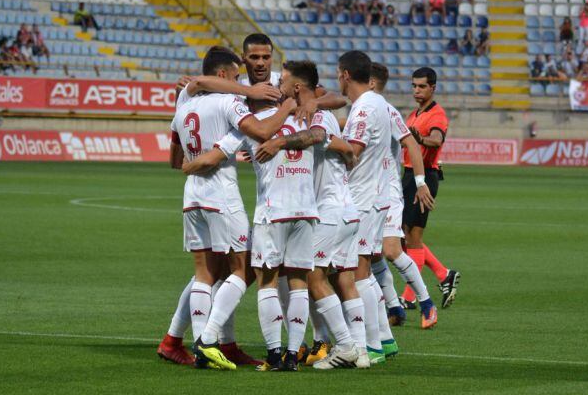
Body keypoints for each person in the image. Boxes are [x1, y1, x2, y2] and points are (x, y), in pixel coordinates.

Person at [163, 46, 297, 370]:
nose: (242, 79)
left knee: (205, 273)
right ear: (222, 76)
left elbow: (174, 160)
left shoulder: (185, 102)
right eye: (236, 75)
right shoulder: (230, 102)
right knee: (244, 268)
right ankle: (208, 342)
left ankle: (208, 347)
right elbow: (264, 132)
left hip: (191, 194)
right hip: (221, 193)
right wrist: (287, 107)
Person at [249, 61, 367, 369]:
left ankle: (343, 344)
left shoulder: (316, 115)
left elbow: (319, 136)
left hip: (327, 210)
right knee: (342, 278)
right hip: (334, 209)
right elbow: (338, 137)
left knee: (308, 278)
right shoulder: (307, 111)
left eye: (284, 81)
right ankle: (361, 350)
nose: (279, 84)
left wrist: (278, 142)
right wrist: (348, 152)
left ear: (297, 88)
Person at [339, 50, 432, 363]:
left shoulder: (366, 107)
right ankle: (385, 336)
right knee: (366, 268)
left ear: (345, 75)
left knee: (358, 271)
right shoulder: (379, 105)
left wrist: (317, 139)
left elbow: (353, 150)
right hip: (378, 196)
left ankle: (370, 344)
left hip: (367, 197)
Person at [367, 63, 438, 329]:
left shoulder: (384, 110)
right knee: (372, 254)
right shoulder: (365, 109)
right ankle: (395, 308)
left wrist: (420, 183)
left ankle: (427, 304)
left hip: (387, 191)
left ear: (371, 82)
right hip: (367, 193)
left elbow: (412, 142)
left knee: (392, 250)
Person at [399, 67, 459, 310]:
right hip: (409, 174)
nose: (416, 90)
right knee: (404, 236)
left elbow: (436, 139)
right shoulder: (414, 114)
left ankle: (410, 296)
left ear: (432, 87)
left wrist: (419, 139)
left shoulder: (437, 114)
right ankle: (444, 274)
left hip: (423, 177)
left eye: (421, 86)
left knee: (413, 238)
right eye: (414, 86)